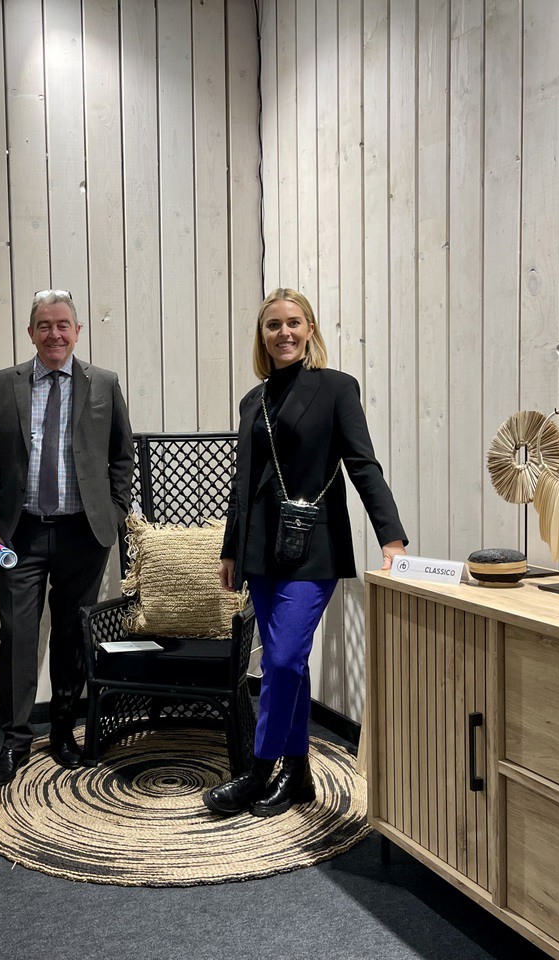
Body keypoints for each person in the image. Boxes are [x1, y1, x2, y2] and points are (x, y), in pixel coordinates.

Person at [206, 288, 407, 817]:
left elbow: (362, 465)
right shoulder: (253, 401)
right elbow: (243, 484)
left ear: (310, 329)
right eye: (273, 325)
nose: (284, 333)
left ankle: (258, 770)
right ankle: (297, 775)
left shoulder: (336, 388)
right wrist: (230, 549)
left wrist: (391, 538)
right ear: (262, 335)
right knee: (288, 662)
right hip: (259, 550)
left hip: (312, 546)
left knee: (281, 658)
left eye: (294, 322)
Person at [0, 289, 134, 787]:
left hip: (84, 534)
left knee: (70, 634)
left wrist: (114, 512)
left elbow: (121, 456)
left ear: (77, 332)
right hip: (17, 535)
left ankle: (62, 732)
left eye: (63, 325)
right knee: (17, 635)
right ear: (31, 332)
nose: (54, 334)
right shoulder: (2, 385)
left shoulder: (104, 383)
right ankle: (13, 742)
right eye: (44, 325)